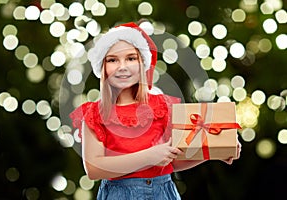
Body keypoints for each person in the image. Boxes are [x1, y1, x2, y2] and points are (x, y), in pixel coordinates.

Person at [69, 22, 241, 200]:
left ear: (142, 63)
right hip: (119, 194)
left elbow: (171, 162)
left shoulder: (161, 107)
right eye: (113, 60)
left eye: (131, 58)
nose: (122, 66)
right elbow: (94, 168)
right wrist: (149, 156)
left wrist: (214, 152)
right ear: (103, 67)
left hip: (163, 192)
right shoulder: (96, 113)